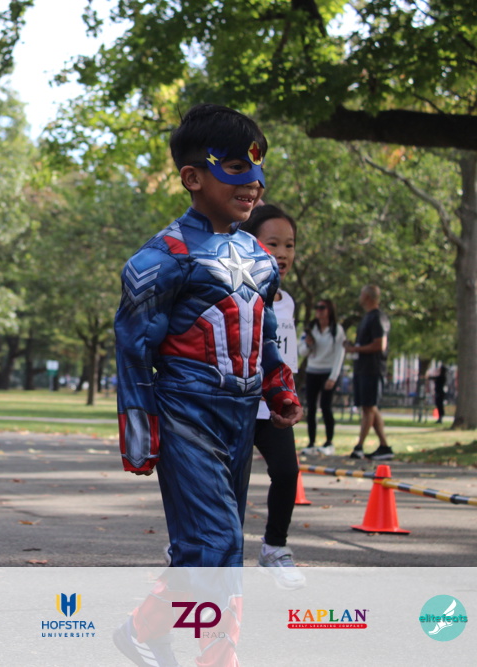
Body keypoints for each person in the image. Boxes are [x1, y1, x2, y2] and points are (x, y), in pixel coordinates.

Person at [113, 104, 300, 666]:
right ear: (193, 177)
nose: (254, 182)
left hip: (240, 417)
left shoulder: (258, 258)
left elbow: (263, 331)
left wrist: (278, 386)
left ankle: (141, 632)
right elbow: (133, 347)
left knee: (203, 544)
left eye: (259, 168)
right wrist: (139, 427)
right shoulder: (162, 257)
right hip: (185, 413)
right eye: (236, 167)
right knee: (219, 543)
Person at [239, 204, 305, 589]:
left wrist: (290, 398)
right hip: (236, 403)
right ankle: (203, 551)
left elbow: (285, 356)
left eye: (289, 245)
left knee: (287, 473)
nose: (282, 253)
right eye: (273, 243)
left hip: (272, 406)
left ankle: (274, 548)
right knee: (230, 483)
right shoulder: (237, 293)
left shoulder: (288, 302)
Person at [345, 285, 392, 460]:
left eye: (362, 294)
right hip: (362, 368)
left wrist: (356, 349)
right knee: (369, 406)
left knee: (369, 407)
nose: (359, 297)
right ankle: (385, 447)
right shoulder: (367, 317)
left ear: (368, 297)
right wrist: (353, 347)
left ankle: (359, 446)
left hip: (373, 368)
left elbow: (380, 345)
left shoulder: (378, 317)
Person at [299, 298, 346, 455]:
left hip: (328, 371)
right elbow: (302, 352)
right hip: (312, 370)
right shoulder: (310, 328)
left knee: (326, 407)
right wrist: (308, 344)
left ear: (329, 310)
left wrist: (333, 377)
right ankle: (311, 443)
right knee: (311, 407)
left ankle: (329, 442)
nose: (318, 311)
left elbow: (340, 354)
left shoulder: (337, 330)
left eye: (322, 308)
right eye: (317, 307)